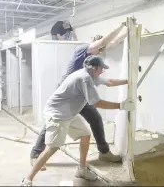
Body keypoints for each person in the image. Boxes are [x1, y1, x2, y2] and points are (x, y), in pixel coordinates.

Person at [21, 55, 135, 186]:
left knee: (85, 134)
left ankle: (81, 169)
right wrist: (121, 106)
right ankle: (27, 180)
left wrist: (128, 80)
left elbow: (109, 82)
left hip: (69, 113)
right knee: (53, 148)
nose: (102, 71)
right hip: (58, 115)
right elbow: (97, 103)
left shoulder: (91, 76)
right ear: (93, 68)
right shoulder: (84, 78)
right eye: (101, 68)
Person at [30, 21, 128, 171]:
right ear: (94, 44)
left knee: (95, 118)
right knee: (53, 123)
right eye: (99, 48)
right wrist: (121, 25)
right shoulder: (83, 49)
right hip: (67, 94)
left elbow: (111, 44)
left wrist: (129, 31)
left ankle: (104, 152)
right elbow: (105, 41)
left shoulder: (93, 59)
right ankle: (36, 154)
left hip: (81, 94)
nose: (101, 51)